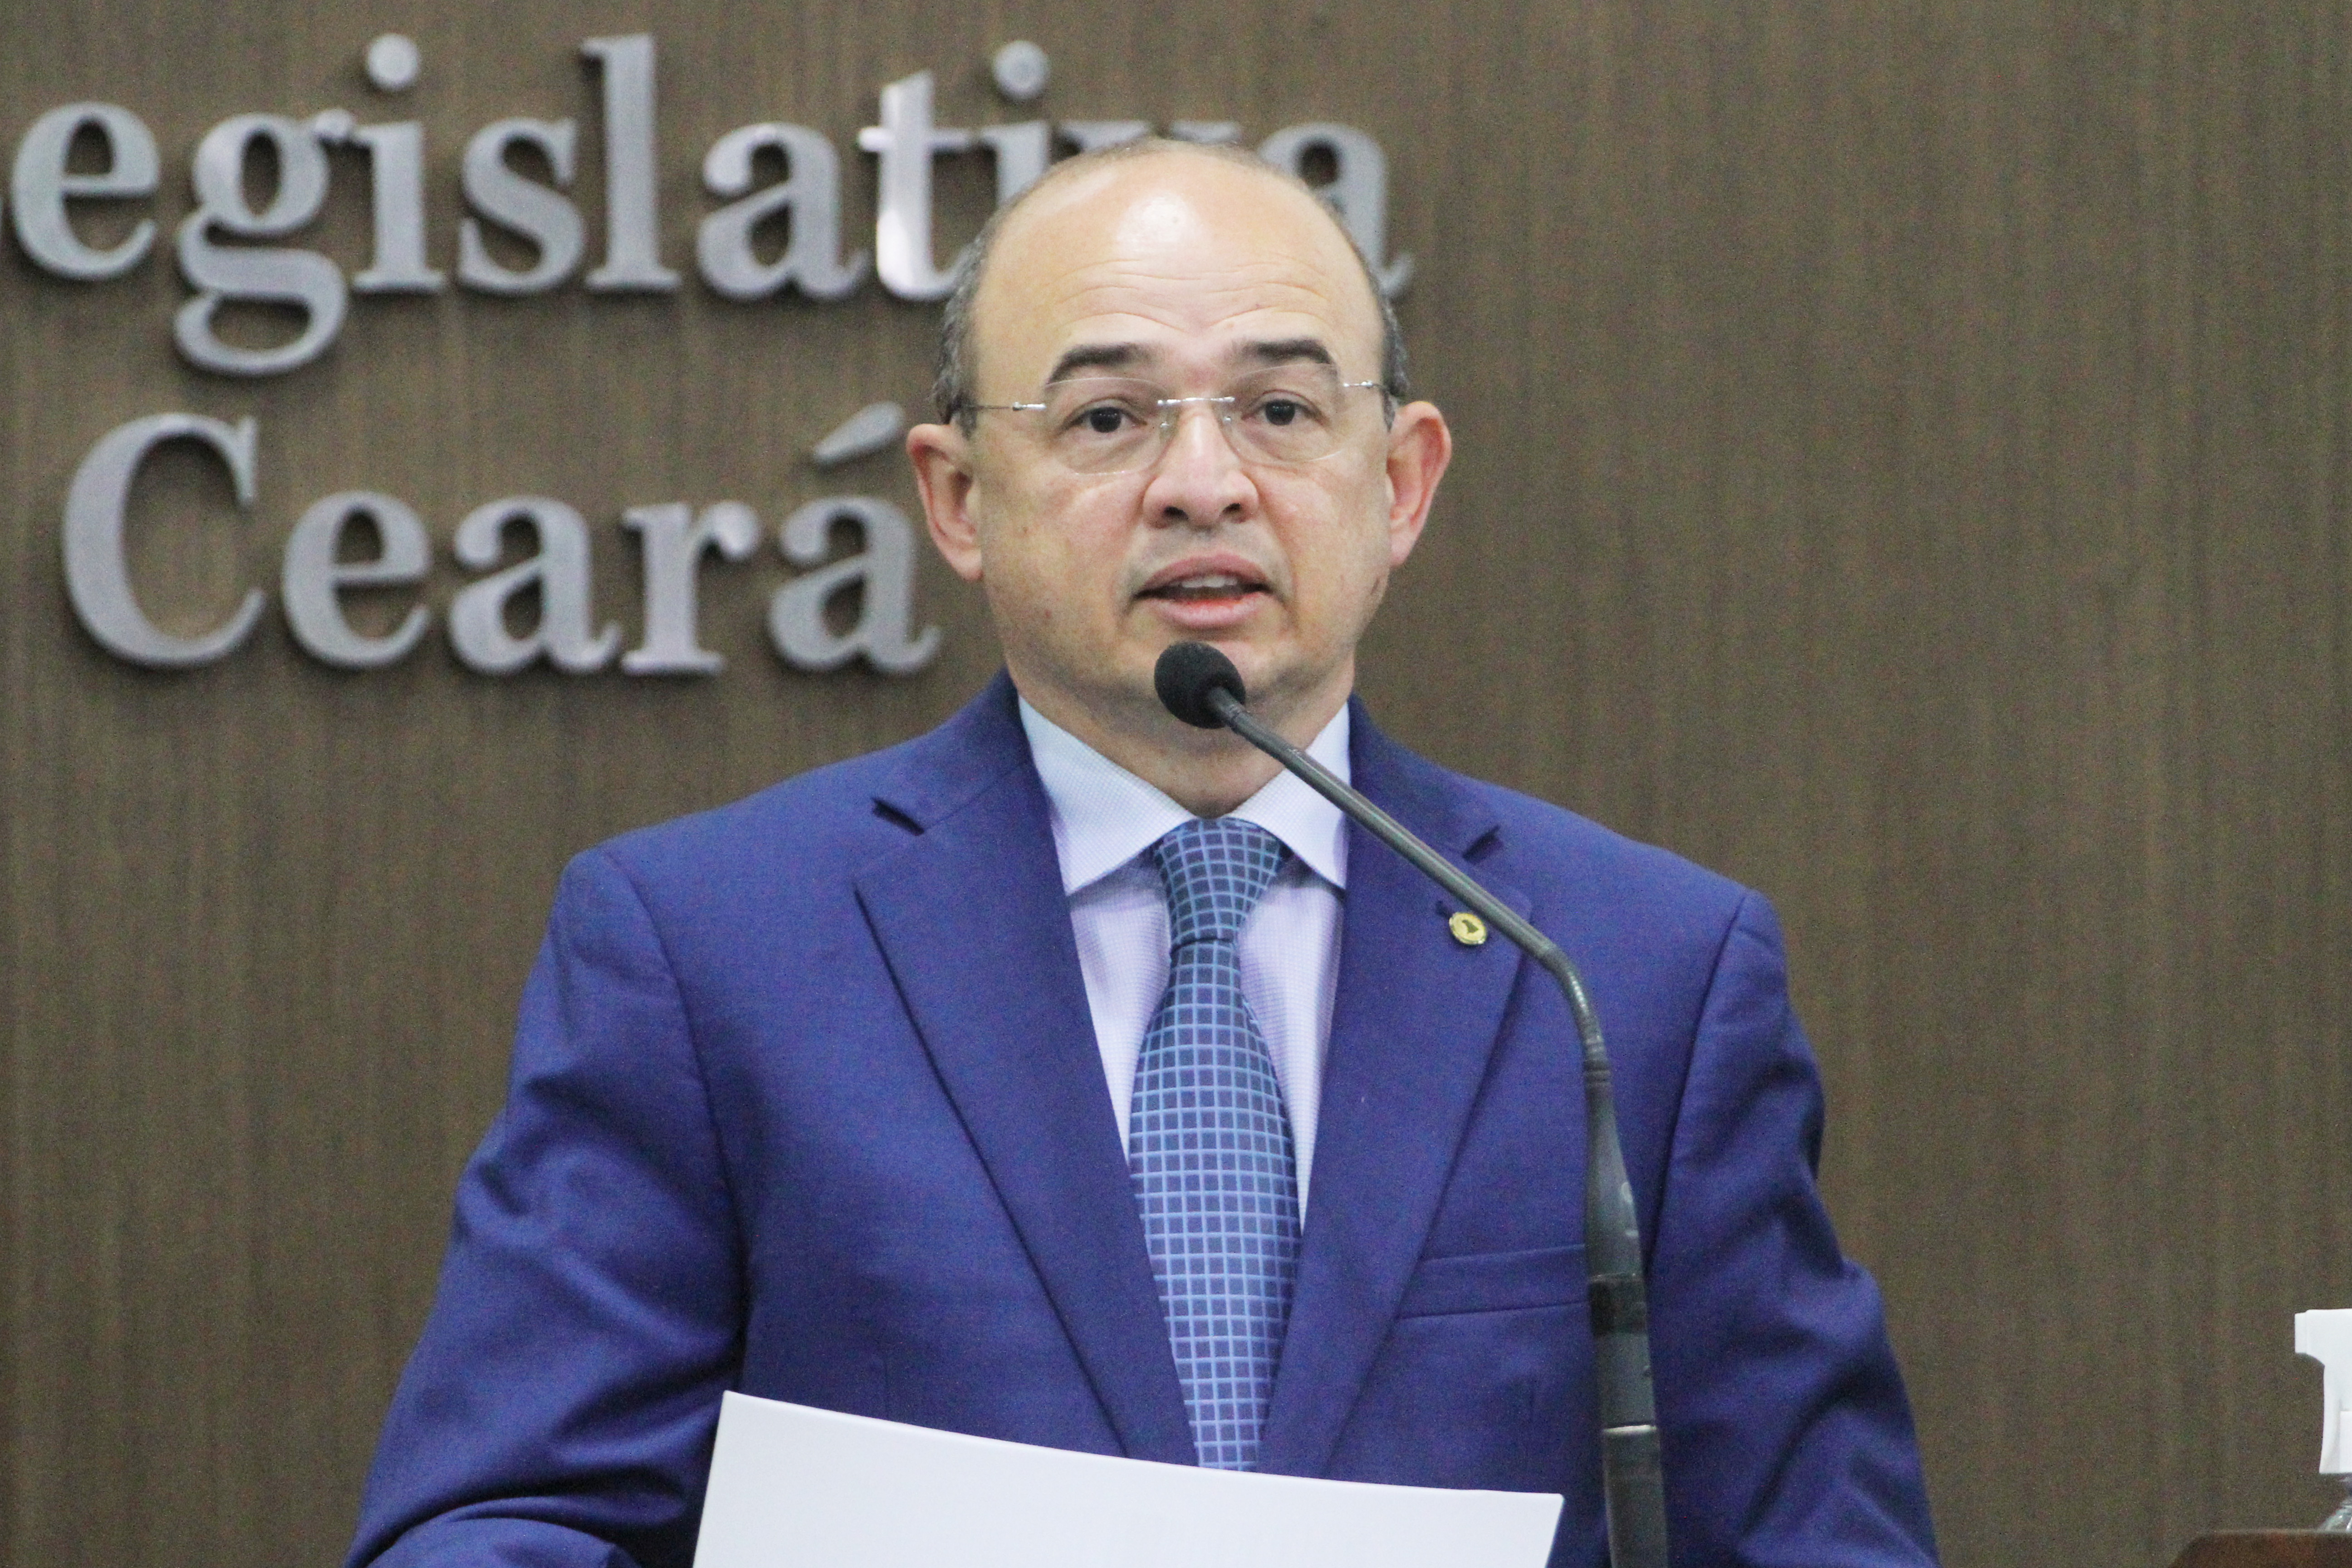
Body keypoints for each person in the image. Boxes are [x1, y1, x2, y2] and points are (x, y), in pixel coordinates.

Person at [346, 140, 1939, 1568]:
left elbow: (1818, 1537)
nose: (1203, 485)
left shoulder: (1632, 979)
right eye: (1108, 418)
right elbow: (500, 1523)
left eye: (1281, 411)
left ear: (1400, 484)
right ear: (959, 498)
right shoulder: (712, 952)